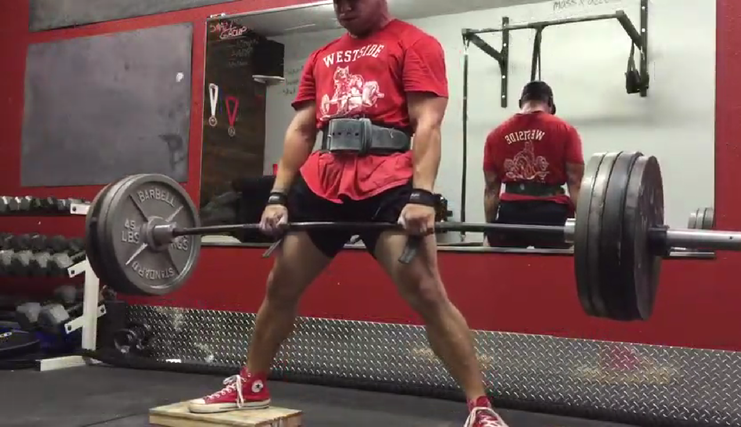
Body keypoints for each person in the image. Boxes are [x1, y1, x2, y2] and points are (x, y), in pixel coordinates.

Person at [189, 1, 509, 426]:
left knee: (428, 293)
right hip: (324, 183)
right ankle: (252, 384)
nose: (344, 7)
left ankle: (480, 407)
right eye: (337, 0)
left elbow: (427, 123)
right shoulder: (323, 56)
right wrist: (278, 196)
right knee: (280, 286)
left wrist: (422, 195)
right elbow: (303, 129)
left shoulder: (415, 43)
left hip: (389, 182)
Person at [483, 81, 585, 248]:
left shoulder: (495, 135)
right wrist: (582, 232)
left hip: (510, 216)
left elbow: (491, 191)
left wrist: (490, 231)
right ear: (550, 104)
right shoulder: (565, 130)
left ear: (520, 103)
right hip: (551, 217)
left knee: (501, 270)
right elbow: (576, 184)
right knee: (558, 271)